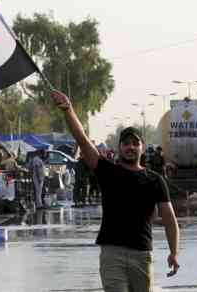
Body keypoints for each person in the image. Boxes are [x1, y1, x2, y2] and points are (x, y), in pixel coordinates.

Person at [52, 90, 180, 292]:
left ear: (142, 148)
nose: (131, 147)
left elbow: (169, 219)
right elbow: (83, 141)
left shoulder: (155, 180)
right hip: (113, 254)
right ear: (119, 148)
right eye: (126, 143)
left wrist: (174, 252)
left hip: (142, 254)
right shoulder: (108, 171)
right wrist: (68, 109)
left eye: (135, 143)